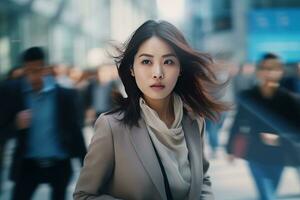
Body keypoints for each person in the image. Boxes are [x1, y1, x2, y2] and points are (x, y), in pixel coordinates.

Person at [74, 20, 227, 200]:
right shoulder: (111, 127)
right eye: (146, 61)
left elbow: (202, 180)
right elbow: (83, 195)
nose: (158, 73)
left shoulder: (194, 121)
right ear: (132, 68)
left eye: (168, 61)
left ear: (180, 69)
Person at [0, 47, 87, 200]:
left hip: (59, 165)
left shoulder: (64, 95)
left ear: (45, 68)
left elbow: (75, 131)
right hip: (28, 165)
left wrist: (86, 167)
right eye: (29, 71)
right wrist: (15, 124)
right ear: (24, 70)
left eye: (37, 70)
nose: (33, 76)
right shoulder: (13, 93)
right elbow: (3, 130)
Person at [226, 53, 300, 200]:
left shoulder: (289, 100)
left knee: (270, 192)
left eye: (274, 68)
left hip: (279, 155)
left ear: (281, 71)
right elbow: (237, 122)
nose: (269, 72)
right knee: (267, 195)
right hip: (255, 153)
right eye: (265, 68)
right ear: (258, 71)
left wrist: (279, 139)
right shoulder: (248, 96)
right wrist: (229, 148)